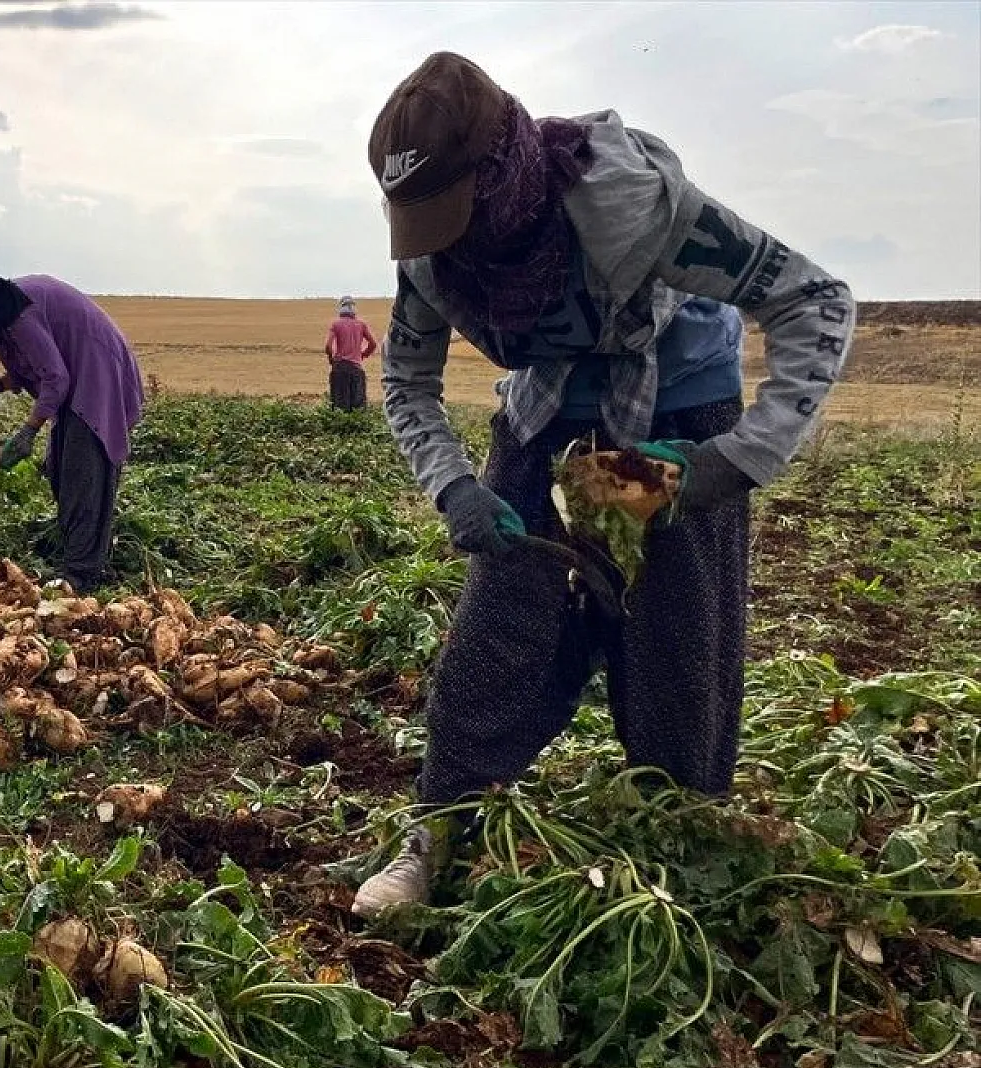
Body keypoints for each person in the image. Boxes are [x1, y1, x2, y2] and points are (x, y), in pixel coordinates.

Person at [351, 52, 855, 917]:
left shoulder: (631, 208)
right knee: (494, 635)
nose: (447, 242)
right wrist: (452, 488)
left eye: (455, 214)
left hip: (672, 415)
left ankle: (678, 851)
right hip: (542, 415)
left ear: (501, 172)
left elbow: (817, 301)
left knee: (676, 650)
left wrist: (730, 461)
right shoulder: (432, 254)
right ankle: (437, 830)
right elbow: (405, 381)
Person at [0, 262, 144, 593]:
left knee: (82, 472)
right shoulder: (0, 313)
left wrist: (27, 432)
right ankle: (83, 554)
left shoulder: (16, 314)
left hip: (98, 370)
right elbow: (34, 366)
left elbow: (56, 377)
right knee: (60, 468)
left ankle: (80, 577)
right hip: (79, 374)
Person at [324, 296, 378, 410]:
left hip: (339, 368)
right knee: (358, 407)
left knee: (339, 406)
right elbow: (373, 344)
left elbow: (328, 346)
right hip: (356, 369)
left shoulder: (336, 324)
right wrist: (362, 355)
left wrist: (331, 359)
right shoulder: (361, 325)